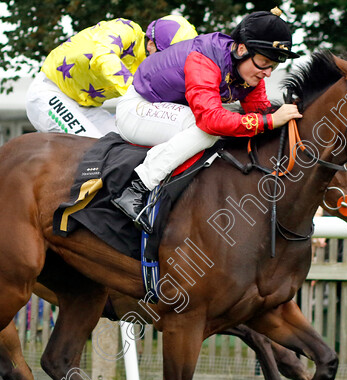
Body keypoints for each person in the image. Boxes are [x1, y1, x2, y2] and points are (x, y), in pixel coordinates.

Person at [112, 9, 303, 232]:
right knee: (207, 131)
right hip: (137, 109)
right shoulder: (203, 59)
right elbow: (211, 121)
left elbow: (261, 114)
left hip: (171, 110)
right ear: (242, 49)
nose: (268, 73)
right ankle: (137, 188)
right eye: (264, 61)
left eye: (274, 65)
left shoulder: (251, 73)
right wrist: (270, 120)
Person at [25, 16, 198, 138]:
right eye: (166, 56)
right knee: (92, 146)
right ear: (151, 44)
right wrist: (138, 90)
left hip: (88, 108)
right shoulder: (125, 29)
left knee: (122, 144)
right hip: (49, 93)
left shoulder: (154, 67)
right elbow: (102, 56)